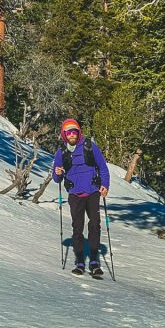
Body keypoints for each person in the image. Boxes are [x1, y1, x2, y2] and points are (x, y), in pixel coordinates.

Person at [53, 118, 110, 277]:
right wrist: (57, 173)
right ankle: (79, 261)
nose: (72, 134)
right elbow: (56, 178)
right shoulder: (61, 152)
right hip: (75, 195)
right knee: (77, 228)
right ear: (64, 135)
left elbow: (103, 168)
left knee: (95, 225)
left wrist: (105, 185)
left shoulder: (90, 146)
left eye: (74, 131)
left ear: (79, 132)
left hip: (93, 191)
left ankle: (94, 261)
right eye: (68, 132)